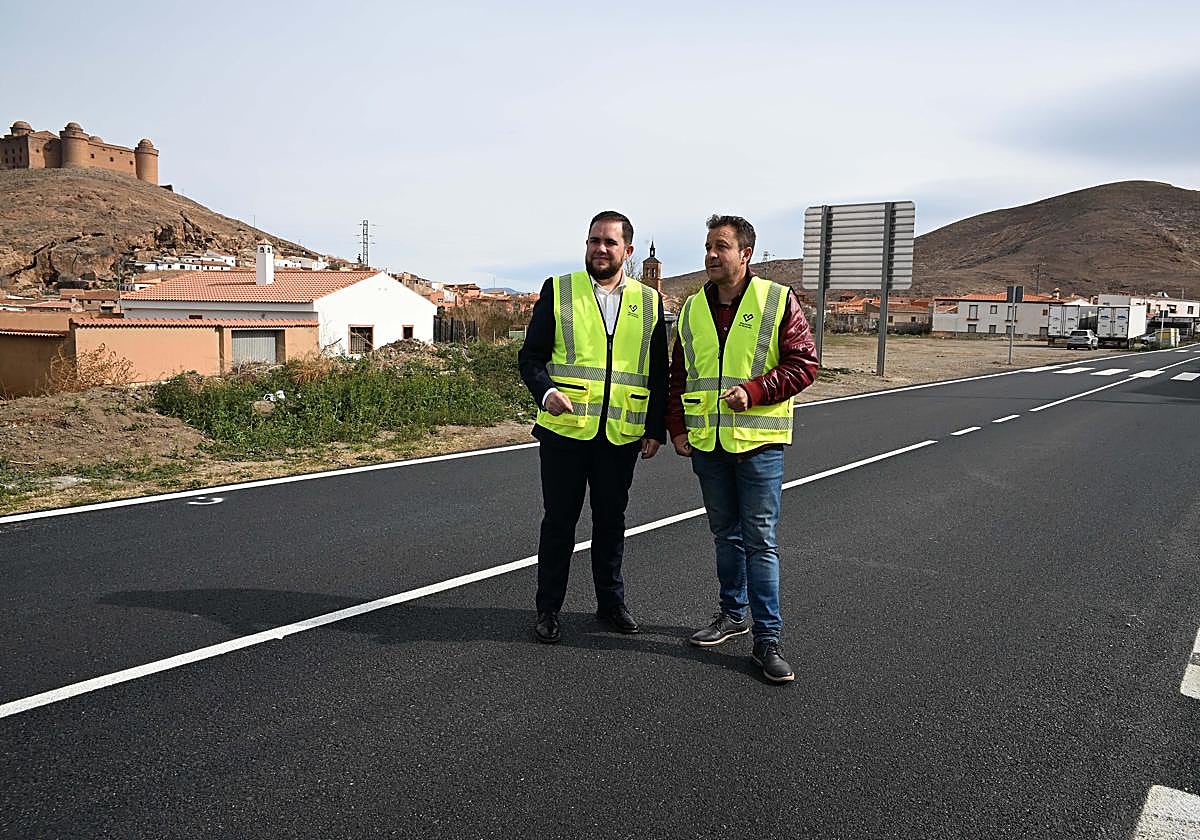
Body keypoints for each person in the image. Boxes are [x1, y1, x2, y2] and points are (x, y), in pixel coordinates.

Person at [666, 214, 819, 683]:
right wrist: (677, 427)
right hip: (708, 444)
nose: (711, 255)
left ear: (745, 253)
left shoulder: (777, 300)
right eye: (708, 246)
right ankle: (732, 615)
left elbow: (805, 364)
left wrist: (753, 391)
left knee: (760, 540)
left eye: (721, 247)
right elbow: (680, 373)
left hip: (759, 444)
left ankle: (768, 639)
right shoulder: (692, 307)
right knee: (724, 535)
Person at [518, 210, 667, 644]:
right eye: (593, 241)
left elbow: (658, 371)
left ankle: (610, 604)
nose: (599, 249)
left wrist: (654, 427)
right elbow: (531, 358)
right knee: (559, 524)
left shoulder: (650, 301)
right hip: (565, 431)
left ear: (628, 251)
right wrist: (546, 393)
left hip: (620, 434)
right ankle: (547, 610)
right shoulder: (559, 290)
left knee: (611, 522)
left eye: (609, 243)